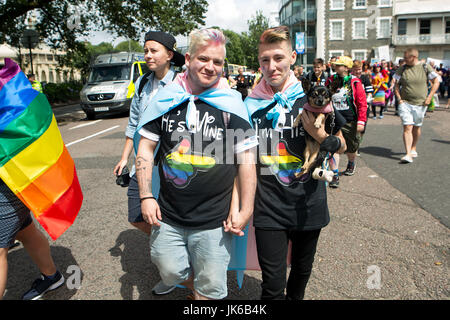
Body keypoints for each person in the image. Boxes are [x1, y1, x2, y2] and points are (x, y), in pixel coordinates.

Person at [135, 28, 257, 300]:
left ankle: (202, 294)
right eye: (204, 59)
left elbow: (247, 159)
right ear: (188, 59)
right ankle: (195, 286)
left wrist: (245, 208)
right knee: (169, 271)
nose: (210, 67)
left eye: (217, 62)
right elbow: (145, 147)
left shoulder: (231, 104)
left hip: (215, 220)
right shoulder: (166, 99)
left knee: (211, 288)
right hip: (169, 215)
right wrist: (145, 196)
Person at [245, 26, 346, 300]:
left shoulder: (313, 98)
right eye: (265, 60)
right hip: (268, 206)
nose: (271, 66)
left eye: (278, 58)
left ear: (292, 56)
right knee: (272, 285)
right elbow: (240, 157)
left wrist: (320, 135)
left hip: (309, 204)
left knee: (301, 275)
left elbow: (342, 144)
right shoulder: (250, 104)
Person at [113, 30, 185, 295]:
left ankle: (171, 269)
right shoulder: (143, 83)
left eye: (154, 50)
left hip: (172, 164)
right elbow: (134, 123)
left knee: (169, 212)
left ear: (169, 54)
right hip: (142, 163)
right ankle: (172, 247)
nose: (148, 55)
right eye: (145, 50)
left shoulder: (183, 83)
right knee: (136, 214)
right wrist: (123, 158)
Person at [0, 180, 64, 300]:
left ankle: (52, 276)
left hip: (7, 179)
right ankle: (52, 276)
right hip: (12, 178)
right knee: (24, 231)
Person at [326, 56, 367, 187]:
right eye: (335, 65)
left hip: (350, 120)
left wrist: (361, 121)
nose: (336, 66)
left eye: (339, 65)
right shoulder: (331, 80)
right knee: (334, 147)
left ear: (346, 67)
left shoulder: (355, 82)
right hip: (334, 119)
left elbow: (362, 103)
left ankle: (351, 162)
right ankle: (335, 175)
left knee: (351, 147)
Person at [394, 48, 440, 163]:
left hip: (421, 103)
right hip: (405, 103)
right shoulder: (402, 68)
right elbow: (395, 84)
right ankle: (408, 154)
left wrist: (430, 97)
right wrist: (399, 99)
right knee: (407, 126)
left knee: (416, 127)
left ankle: (413, 147)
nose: (404, 60)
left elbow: (436, 81)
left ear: (413, 57)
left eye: (406, 58)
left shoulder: (425, 67)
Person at [351, 60, 373, 155]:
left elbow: (369, 92)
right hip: (352, 106)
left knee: (361, 128)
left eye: (359, 69)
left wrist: (368, 98)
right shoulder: (349, 78)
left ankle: (357, 146)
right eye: (355, 70)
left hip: (363, 106)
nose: (358, 72)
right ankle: (351, 145)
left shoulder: (364, 78)